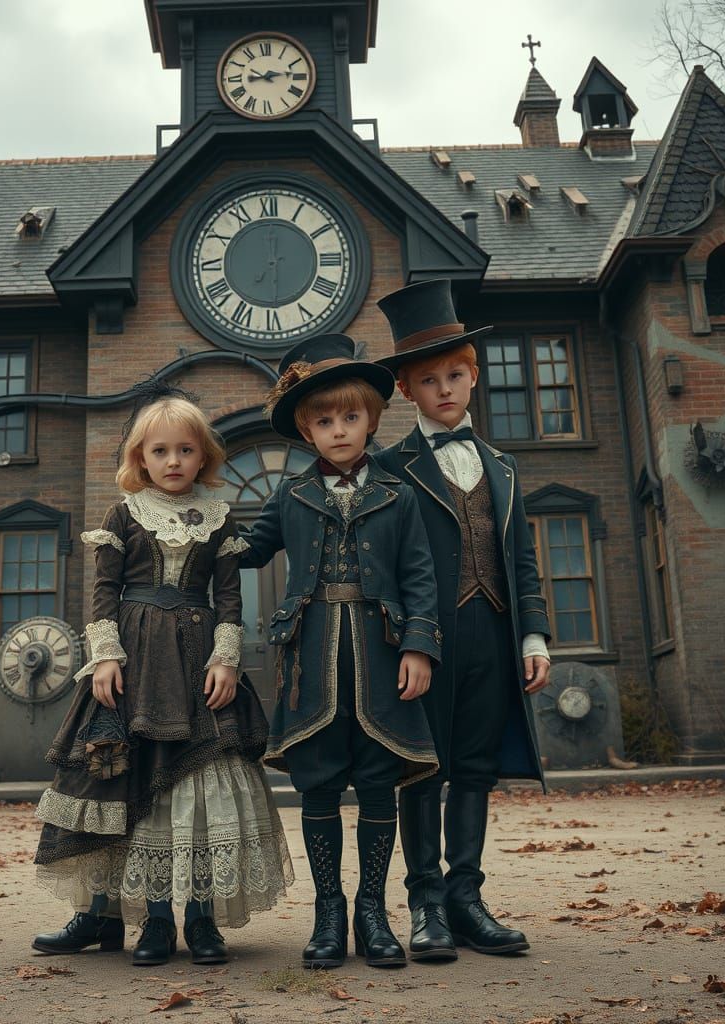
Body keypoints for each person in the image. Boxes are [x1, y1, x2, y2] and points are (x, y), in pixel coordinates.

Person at [31, 389, 293, 967]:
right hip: (135, 659)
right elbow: (104, 591)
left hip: (198, 657)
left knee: (201, 776)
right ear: (140, 458)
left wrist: (226, 659)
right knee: (129, 775)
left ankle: (201, 921)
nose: (173, 461)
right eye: (160, 451)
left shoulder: (220, 516)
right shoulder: (122, 513)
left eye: (185, 450)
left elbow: (230, 598)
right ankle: (150, 920)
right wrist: (105, 655)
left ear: (203, 457)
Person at [240, 334, 441, 969]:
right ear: (306, 430)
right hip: (311, 661)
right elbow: (245, 549)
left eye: (350, 417)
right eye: (324, 421)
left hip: (382, 658)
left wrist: (419, 646)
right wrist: (182, 526)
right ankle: (329, 914)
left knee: (380, 784)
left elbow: (419, 577)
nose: (339, 430)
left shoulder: (399, 494)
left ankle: (373, 914)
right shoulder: (289, 495)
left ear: (372, 419)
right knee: (320, 784)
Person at [372, 279, 551, 960]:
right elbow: (382, 566)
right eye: (428, 380)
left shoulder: (503, 467)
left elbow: (522, 560)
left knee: (475, 767)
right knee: (425, 767)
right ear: (406, 391)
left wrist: (533, 633)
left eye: (455, 374)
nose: (444, 389)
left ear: (473, 377)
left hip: (494, 634)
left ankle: (466, 899)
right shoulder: (390, 468)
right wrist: (404, 639)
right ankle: (424, 903)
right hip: (426, 643)